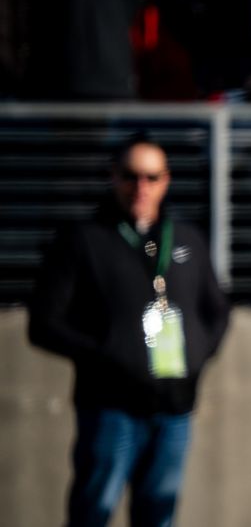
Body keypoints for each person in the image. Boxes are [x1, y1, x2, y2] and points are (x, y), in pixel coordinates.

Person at [28, 135, 230, 527]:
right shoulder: (83, 239)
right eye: (130, 176)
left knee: (160, 512)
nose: (141, 187)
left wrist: (197, 357)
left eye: (152, 177)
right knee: (95, 509)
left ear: (166, 181)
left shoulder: (187, 239)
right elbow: (44, 324)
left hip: (174, 406)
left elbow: (218, 310)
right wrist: (107, 355)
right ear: (113, 177)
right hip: (110, 406)